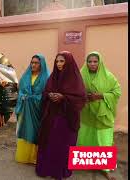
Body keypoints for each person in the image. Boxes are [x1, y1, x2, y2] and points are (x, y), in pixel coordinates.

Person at [36, 51, 87, 180]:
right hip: (51, 117)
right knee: (49, 144)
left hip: (66, 120)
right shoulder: (53, 77)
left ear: (68, 62)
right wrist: (49, 95)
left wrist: (64, 97)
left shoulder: (75, 78)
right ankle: (47, 169)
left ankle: (60, 171)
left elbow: (80, 99)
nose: (59, 64)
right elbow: (45, 91)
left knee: (62, 146)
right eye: (57, 61)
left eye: (62, 61)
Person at [77, 52, 121, 180]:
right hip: (86, 113)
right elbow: (74, 90)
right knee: (86, 137)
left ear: (100, 62)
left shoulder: (109, 77)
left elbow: (117, 92)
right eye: (89, 61)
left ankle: (105, 168)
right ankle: (85, 164)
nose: (92, 64)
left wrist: (101, 96)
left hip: (103, 114)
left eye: (95, 61)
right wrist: (85, 97)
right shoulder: (80, 75)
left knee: (104, 139)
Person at [15, 54, 50, 164]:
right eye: (32, 62)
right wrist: (23, 97)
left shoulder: (46, 78)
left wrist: (32, 98)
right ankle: (25, 156)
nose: (33, 65)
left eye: (36, 63)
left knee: (36, 132)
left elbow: (46, 95)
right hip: (25, 110)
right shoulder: (25, 77)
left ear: (41, 64)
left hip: (38, 111)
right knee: (25, 130)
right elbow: (20, 91)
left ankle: (35, 157)